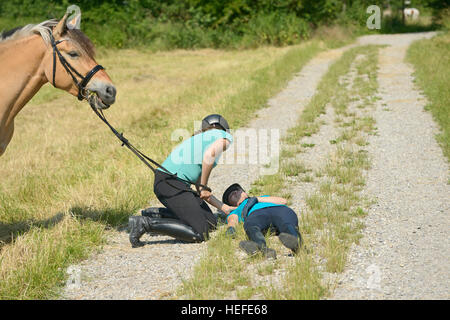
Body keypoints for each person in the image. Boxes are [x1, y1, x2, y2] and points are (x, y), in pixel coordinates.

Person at [129, 114, 236, 247]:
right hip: (171, 183)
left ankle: (155, 214)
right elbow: (210, 155)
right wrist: (204, 186)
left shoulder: (198, 140)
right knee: (200, 232)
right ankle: (145, 224)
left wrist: (224, 208)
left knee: (210, 222)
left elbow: (199, 188)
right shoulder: (224, 137)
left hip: (168, 182)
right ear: (224, 129)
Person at [222, 183, 302, 259]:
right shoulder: (236, 210)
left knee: (287, 223)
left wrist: (256, 199)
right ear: (231, 204)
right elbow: (232, 220)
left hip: (278, 209)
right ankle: (263, 249)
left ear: (245, 192)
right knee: (251, 226)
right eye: (232, 195)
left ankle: (297, 243)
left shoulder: (263, 197)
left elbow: (283, 201)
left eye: (238, 190)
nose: (236, 193)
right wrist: (231, 229)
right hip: (255, 215)